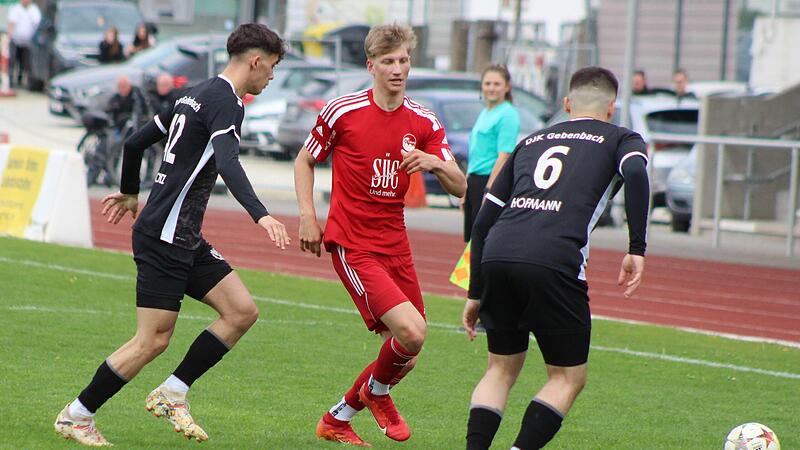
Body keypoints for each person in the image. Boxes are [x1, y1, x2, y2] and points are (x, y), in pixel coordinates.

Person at [54, 23, 290, 447]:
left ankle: (173, 391)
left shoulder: (193, 93)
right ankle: (77, 415)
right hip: (164, 236)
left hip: (182, 235)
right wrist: (261, 215)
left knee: (241, 311)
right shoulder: (227, 103)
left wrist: (130, 193)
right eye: (271, 67)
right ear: (255, 61)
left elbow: (134, 142)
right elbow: (229, 162)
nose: (270, 77)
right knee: (152, 340)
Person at [294, 23, 466, 448]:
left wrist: (433, 162)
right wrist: (307, 216)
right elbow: (304, 160)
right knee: (412, 333)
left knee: (406, 352)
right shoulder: (344, 111)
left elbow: (461, 185)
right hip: (353, 243)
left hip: (396, 244)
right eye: (388, 61)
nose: (397, 69)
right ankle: (376, 393)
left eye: (404, 60)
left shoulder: (423, 121)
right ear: (371, 66)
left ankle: (339, 417)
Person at [462, 66, 650, 450]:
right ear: (611, 107)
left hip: (497, 254)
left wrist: (474, 292)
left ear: (566, 104)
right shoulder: (622, 139)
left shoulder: (531, 141)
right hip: (553, 259)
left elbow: (482, 223)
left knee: (500, 368)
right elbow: (636, 173)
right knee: (567, 377)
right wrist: (636, 249)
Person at [463, 63, 520, 242]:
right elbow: (476, 152)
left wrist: (489, 189)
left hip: (489, 181)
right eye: (487, 84)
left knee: (482, 239)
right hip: (474, 180)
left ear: (507, 87)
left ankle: (480, 271)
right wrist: (465, 185)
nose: (491, 88)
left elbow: (504, 155)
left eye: (497, 84)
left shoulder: (508, 114)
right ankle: (472, 271)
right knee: (471, 239)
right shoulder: (486, 112)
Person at [6, 0, 41, 88]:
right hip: (15, 40)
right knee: (13, 61)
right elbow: (11, 23)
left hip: (28, 42)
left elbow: (37, 24)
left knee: (25, 62)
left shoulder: (34, 10)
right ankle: (11, 82)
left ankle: (21, 80)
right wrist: (9, 36)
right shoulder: (15, 9)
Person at [106, 75, 148, 140]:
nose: (122, 89)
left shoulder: (137, 94)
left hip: (136, 125)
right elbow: (109, 112)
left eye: (124, 86)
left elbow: (142, 109)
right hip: (120, 128)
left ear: (130, 85)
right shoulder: (115, 99)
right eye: (120, 87)